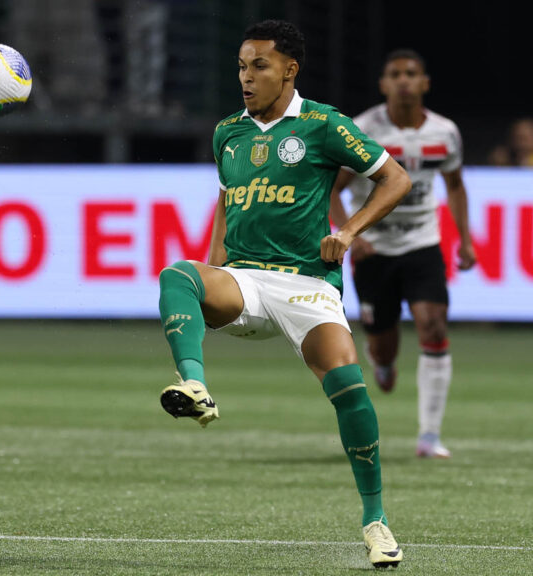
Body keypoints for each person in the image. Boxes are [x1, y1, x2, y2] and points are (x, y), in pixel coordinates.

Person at [156, 20, 410, 568]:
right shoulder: (229, 132)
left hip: (307, 285)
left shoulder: (323, 125)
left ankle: (376, 523)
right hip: (246, 280)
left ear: (289, 70)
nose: (246, 78)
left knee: (349, 388)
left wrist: (348, 231)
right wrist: (212, 268)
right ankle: (195, 386)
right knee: (179, 274)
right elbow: (226, 204)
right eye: (241, 67)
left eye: (259, 66)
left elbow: (396, 179)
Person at [330, 49, 477, 460]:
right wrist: (352, 235)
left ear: (425, 83)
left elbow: (456, 185)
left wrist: (465, 240)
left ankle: (429, 436)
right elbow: (333, 189)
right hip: (374, 250)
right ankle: (384, 362)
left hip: (422, 244)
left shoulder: (444, 132)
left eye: (412, 73)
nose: (404, 81)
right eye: (395, 74)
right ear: (383, 84)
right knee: (384, 348)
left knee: (432, 324)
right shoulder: (362, 129)